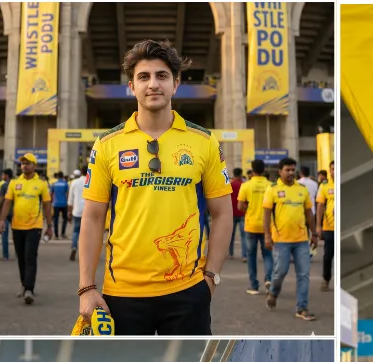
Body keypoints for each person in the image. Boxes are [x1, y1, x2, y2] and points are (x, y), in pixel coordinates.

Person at [79, 39, 232, 335]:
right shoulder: (108, 144)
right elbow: (93, 216)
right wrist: (86, 287)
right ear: (131, 86)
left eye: (162, 76)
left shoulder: (204, 142)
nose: (153, 84)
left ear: (176, 84)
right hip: (122, 294)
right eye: (144, 77)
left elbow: (223, 213)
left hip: (188, 293)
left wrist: (211, 277)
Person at [262, 157, 317, 320]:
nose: (291, 172)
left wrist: (314, 233)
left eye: (293, 169)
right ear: (280, 171)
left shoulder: (302, 189)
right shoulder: (272, 189)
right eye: (288, 170)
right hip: (281, 240)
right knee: (280, 272)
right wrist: (266, 235)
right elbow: (266, 214)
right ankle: (273, 292)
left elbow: (309, 213)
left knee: (304, 274)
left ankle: (302, 307)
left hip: (301, 239)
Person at [1, 153, 51, 305]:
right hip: (17, 226)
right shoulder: (14, 183)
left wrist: (50, 225)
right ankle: (24, 285)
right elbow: (7, 203)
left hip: (34, 226)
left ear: (34, 166)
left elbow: (47, 205)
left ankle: (29, 289)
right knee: (21, 258)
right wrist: (1, 221)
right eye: (22, 163)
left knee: (30, 257)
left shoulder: (41, 184)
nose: (24, 166)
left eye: (28, 163)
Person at [237, 159, 274, 295]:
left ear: (252, 170)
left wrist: (250, 209)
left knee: (251, 256)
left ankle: (254, 286)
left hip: (251, 225)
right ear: (264, 170)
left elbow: (240, 206)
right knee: (268, 255)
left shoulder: (246, 185)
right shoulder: (271, 185)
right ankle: (269, 279)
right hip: (267, 226)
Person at [316, 160, 335, 292]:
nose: (334, 172)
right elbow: (320, 206)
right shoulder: (325, 186)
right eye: (332, 169)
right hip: (329, 227)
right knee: (328, 255)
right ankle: (326, 279)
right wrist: (318, 226)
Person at [67, 169, 85, 261]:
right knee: (88, 233)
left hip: (77, 211)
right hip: (88, 212)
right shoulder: (92, 182)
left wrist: (69, 212)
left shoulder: (74, 182)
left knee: (75, 231)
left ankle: (74, 247)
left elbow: (70, 199)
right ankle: (86, 253)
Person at [229, 167, 246, 261]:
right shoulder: (243, 185)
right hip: (242, 213)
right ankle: (244, 255)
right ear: (240, 174)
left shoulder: (230, 185)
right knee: (244, 236)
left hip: (232, 213)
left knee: (231, 235)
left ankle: (231, 253)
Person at [0, 168, 12, 260]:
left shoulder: (4, 185)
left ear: (7, 175)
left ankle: (5, 255)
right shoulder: (16, 184)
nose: (2, 177)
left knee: (4, 235)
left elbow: (1, 199)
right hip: (14, 212)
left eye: (3, 175)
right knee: (17, 236)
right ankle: (20, 253)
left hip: (5, 213)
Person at [49, 171, 70, 240]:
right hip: (64, 203)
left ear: (57, 177)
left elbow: (51, 194)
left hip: (56, 204)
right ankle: (63, 233)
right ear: (63, 176)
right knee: (65, 219)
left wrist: (52, 201)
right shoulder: (65, 184)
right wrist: (67, 202)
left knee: (56, 219)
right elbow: (67, 194)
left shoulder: (54, 184)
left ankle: (56, 235)